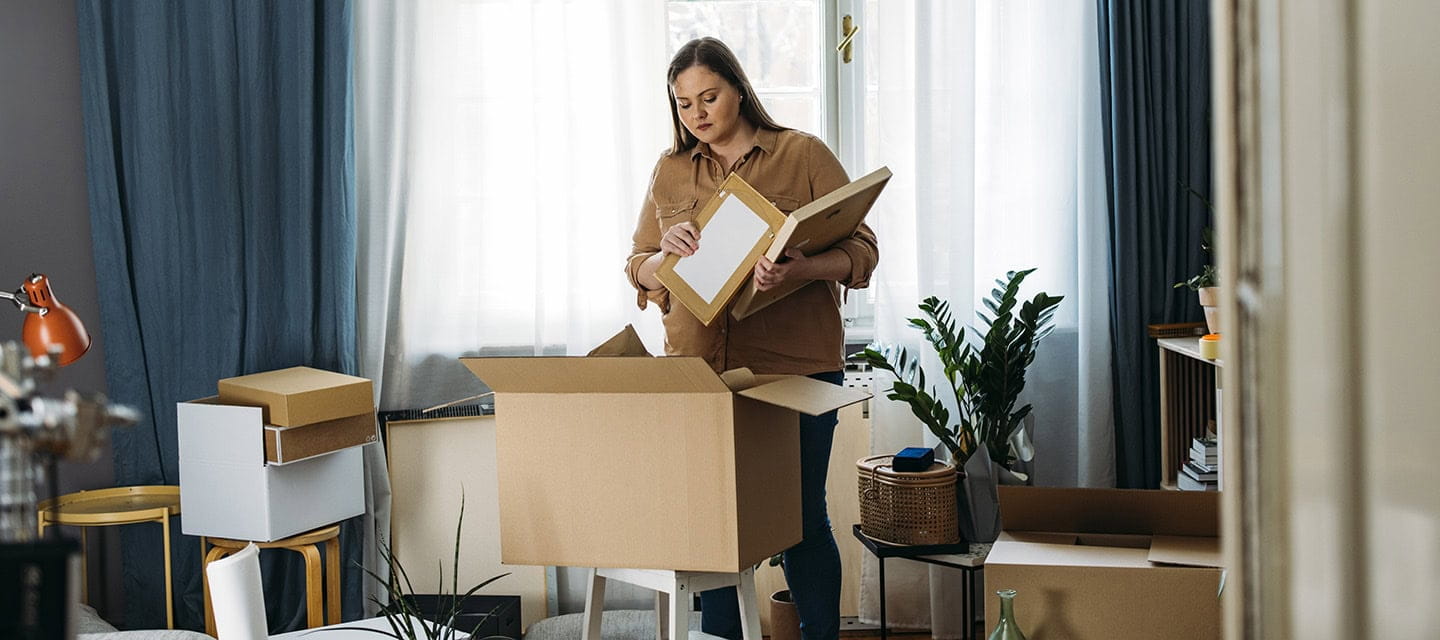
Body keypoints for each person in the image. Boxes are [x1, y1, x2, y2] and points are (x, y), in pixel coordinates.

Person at [624, 37, 878, 640]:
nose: (698, 114)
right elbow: (636, 262)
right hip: (699, 371)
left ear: (738, 88)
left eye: (709, 97)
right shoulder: (669, 169)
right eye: (684, 104)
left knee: (798, 517)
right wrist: (663, 257)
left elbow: (863, 250)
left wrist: (800, 270)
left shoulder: (802, 154)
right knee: (716, 527)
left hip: (796, 367)